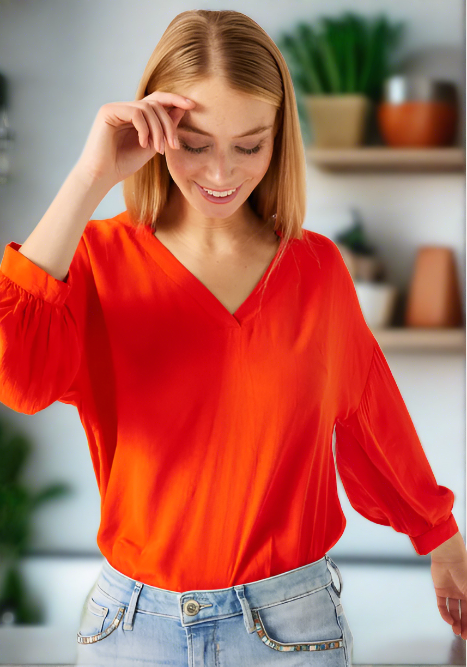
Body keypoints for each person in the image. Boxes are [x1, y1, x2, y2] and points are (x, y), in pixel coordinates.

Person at [0, 8, 465, 667]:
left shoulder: (315, 269)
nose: (221, 173)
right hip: (131, 626)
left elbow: (369, 418)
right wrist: (89, 178)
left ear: (280, 139)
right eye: (194, 142)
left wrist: (441, 538)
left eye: (250, 145)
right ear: (154, 131)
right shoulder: (97, 262)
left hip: (292, 626)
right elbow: (19, 377)